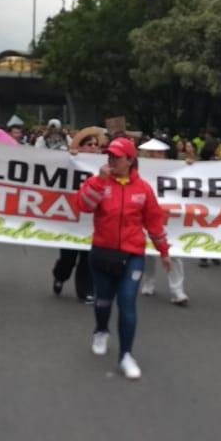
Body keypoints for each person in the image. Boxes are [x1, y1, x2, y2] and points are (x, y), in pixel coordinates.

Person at [76, 137, 170, 380]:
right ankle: (101, 330)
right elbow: (83, 206)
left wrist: (164, 252)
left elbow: (154, 223)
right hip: (102, 253)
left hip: (132, 255)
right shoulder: (99, 182)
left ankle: (126, 355)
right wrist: (99, 182)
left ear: (130, 160)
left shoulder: (143, 189)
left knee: (127, 302)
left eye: (117, 157)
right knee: (103, 301)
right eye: (109, 156)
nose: (111, 160)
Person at [52, 130, 105, 303]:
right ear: (80, 147)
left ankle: (85, 291)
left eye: (96, 145)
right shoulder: (70, 160)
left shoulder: (103, 165)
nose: (93, 148)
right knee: (68, 259)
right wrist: (71, 157)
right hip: (71, 218)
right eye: (89, 145)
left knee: (88, 257)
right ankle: (60, 277)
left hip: (91, 220)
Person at [138, 138, 189, 306]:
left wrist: (191, 166)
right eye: (152, 151)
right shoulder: (138, 167)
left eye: (159, 152)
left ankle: (177, 290)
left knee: (174, 253)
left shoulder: (175, 168)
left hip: (169, 217)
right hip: (146, 215)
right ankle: (148, 282)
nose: (155, 155)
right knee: (148, 253)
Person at [197, 138, 221, 268]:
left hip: (218, 199)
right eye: (219, 149)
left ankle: (214, 253)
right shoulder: (201, 164)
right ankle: (203, 254)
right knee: (204, 226)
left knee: (217, 227)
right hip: (205, 200)